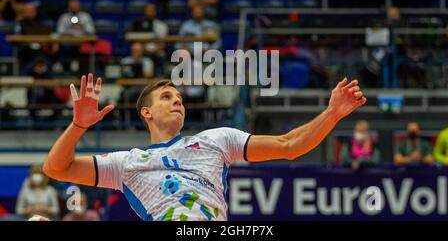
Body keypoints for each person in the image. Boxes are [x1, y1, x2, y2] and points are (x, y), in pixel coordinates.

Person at [43, 73, 365, 221]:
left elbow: (289, 145)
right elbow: (56, 168)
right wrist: (79, 125)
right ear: (146, 112)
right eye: (167, 97)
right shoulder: (127, 163)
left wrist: (332, 113)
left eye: (180, 98)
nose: (177, 101)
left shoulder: (217, 140)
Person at [129, 3, 168, 75]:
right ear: (145, 11)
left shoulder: (161, 25)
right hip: (143, 50)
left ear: (155, 12)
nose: (150, 13)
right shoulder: (139, 23)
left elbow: (163, 43)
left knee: (162, 56)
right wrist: (143, 49)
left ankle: (159, 77)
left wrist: (156, 49)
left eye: (152, 10)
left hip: (157, 51)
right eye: (148, 10)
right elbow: (134, 38)